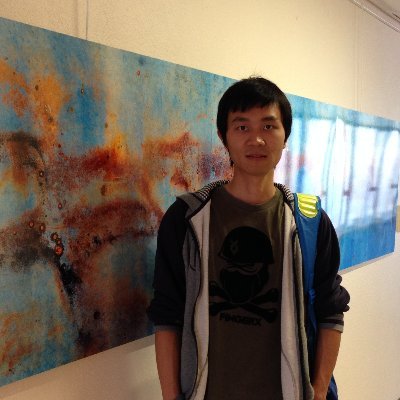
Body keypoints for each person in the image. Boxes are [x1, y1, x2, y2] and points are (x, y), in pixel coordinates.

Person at [147, 77, 350, 400]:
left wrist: (320, 390)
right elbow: (167, 315)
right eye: (242, 127)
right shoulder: (186, 219)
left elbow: (331, 311)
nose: (256, 139)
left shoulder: (310, 222)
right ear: (223, 137)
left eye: (269, 126)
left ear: (285, 136)